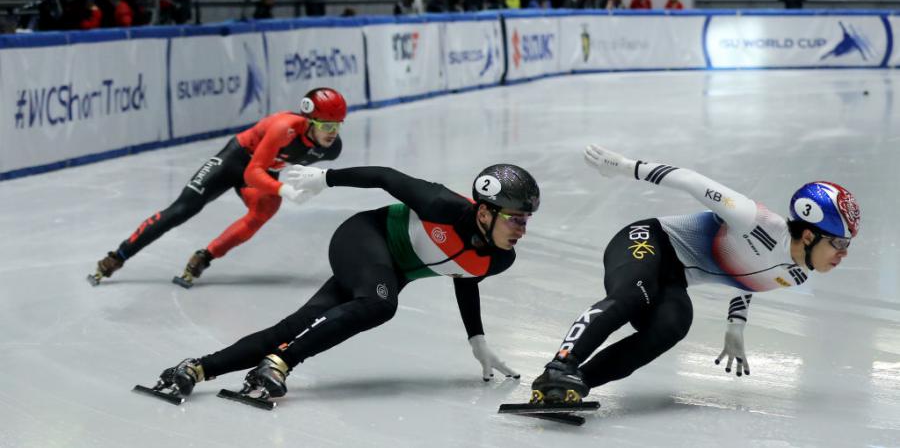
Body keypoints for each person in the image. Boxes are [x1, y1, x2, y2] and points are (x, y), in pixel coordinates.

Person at [145, 163, 541, 401]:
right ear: (485, 212)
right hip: (364, 237)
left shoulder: (501, 258)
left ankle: (195, 369)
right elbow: (385, 176)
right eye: (515, 218)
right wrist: (325, 178)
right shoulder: (443, 205)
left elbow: (466, 275)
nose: (522, 229)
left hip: (389, 273)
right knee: (381, 304)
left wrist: (477, 339)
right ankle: (279, 364)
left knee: (298, 325)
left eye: (526, 220)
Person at [529, 144, 860, 404]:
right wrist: (624, 166)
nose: (843, 254)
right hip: (647, 240)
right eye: (839, 243)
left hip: (674, 277)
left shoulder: (798, 273)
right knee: (634, 292)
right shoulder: (755, 220)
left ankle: (573, 386)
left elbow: (748, 276)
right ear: (808, 235)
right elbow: (690, 180)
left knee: (673, 324)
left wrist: (735, 326)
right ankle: (559, 367)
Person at [87, 88, 348, 288]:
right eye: (326, 125)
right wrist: (284, 189)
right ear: (309, 121)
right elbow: (251, 172)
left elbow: (306, 169)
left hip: (263, 169)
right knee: (182, 210)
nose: (332, 133)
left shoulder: (331, 149)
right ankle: (118, 256)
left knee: (264, 211)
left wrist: (315, 182)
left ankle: (204, 257)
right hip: (234, 161)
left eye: (337, 126)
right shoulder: (284, 129)